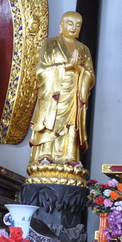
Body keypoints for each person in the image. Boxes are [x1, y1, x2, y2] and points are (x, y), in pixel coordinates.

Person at [28, 11, 95, 166]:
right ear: (61, 25)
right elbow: (41, 71)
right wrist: (66, 66)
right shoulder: (50, 43)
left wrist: (79, 69)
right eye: (70, 23)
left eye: (78, 25)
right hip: (53, 92)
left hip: (74, 93)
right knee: (50, 120)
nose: (73, 28)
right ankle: (45, 154)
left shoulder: (84, 49)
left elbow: (90, 76)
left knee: (71, 124)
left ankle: (70, 156)